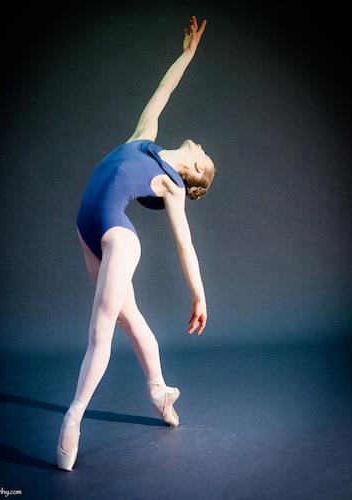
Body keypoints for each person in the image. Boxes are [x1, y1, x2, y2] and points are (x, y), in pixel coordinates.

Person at [57, 14, 215, 471]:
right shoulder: (144, 138)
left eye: (206, 158)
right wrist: (187, 54)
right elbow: (164, 90)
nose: (203, 148)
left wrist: (199, 294)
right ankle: (160, 392)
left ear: (195, 172)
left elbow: (185, 245)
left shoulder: (172, 185)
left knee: (100, 330)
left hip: (117, 240)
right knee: (131, 320)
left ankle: (72, 421)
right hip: (88, 232)